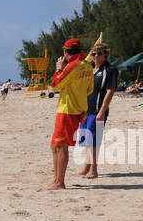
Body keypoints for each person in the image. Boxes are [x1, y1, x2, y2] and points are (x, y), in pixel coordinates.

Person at [46, 37, 94, 190]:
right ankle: (56, 179)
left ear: (66, 52)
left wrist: (59, 68)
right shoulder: (87, 65)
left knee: (60, 146)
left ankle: (60, 182)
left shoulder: (72, 66)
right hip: (77, 109)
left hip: (68, 110)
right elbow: (89, 89)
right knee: (55, 145)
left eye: (64, 52)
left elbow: (55, 85)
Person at [76, 44, 116, 180]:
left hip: (98, 110)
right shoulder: (89, 69)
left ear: (105, 55)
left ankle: (94, 168)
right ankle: (86, 166)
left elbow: (110, 91)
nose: (96, 57)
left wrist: (102, 111)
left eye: (99, 54)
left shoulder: (110, 70)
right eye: (93, 54)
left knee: (94, 140)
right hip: (85, 110)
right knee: (86, 139)